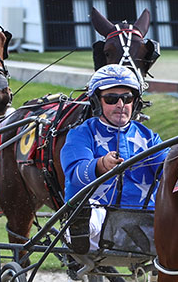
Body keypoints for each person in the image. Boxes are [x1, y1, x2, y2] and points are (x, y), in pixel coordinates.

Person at [60, 64, 167, 250]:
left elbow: (169, 169)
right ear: (96, 102)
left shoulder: (149, 138)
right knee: (86, 212)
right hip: (96, 226)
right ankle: (78, 228)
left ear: (135, 103)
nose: (120, 105)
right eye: (111, 98)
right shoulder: (81, 134)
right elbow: (76, 174)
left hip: (144, 222)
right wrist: (101, 165)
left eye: (127, 98)